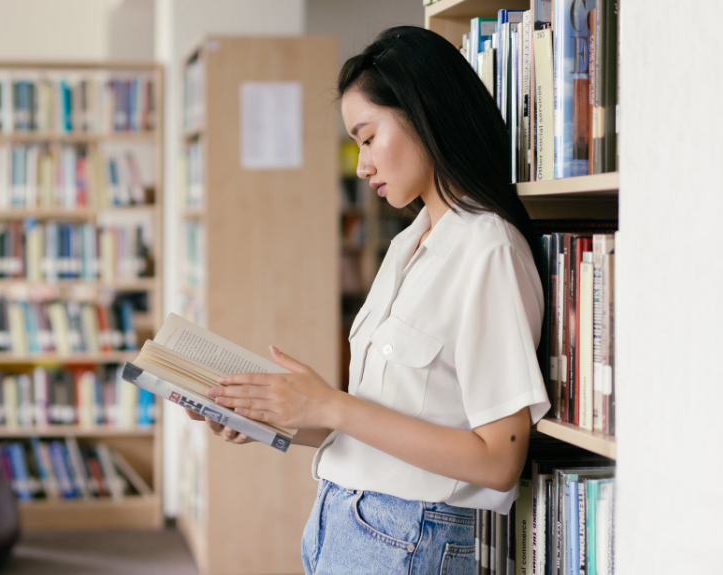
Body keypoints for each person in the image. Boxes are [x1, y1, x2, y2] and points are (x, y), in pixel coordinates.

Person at [185, 25, 549, 574]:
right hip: (341, 522)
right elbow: (377, 426)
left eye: (368, 136)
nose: (361, 166)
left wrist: (331, 403)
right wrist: (274, 416)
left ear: (423, 114)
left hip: (409, 537)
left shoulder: (488, 249)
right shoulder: (407, 246)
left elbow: (499, 460)